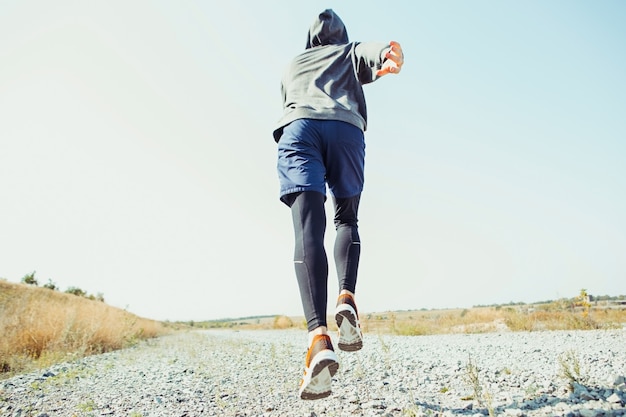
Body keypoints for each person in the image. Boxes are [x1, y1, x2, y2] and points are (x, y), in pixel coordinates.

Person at [273, 9, 404, 400]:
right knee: (346, 219)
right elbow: (378, 52)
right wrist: (390, 57)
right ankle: (346, 297)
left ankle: (318, 338)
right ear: (341, 35)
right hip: (345, 129)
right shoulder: (347, 53)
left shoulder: (293, 64)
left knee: (308, 228)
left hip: (300, 130)